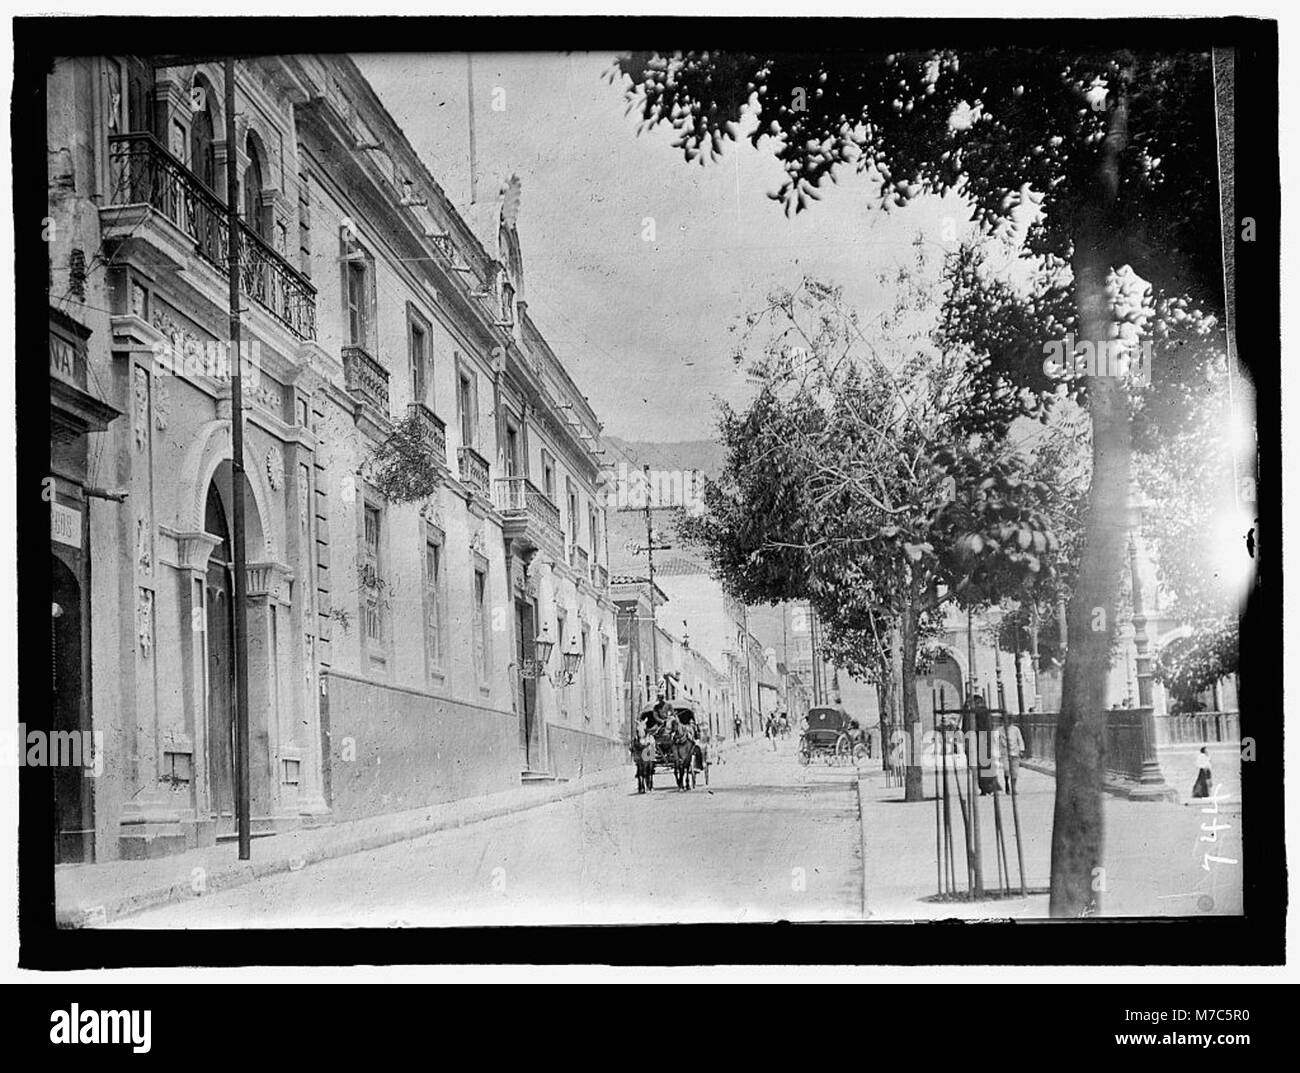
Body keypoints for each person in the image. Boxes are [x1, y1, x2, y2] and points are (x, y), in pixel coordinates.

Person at [1000, 718, 1025, 793]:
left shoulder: (1015, 729)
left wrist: (1021, 750)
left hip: (1015, 752)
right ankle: (1007, 783)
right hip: (1005, 753)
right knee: (1006, 769)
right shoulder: (999, 730)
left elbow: (1020, 739)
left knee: (1015, 772)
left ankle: (1013, 787)